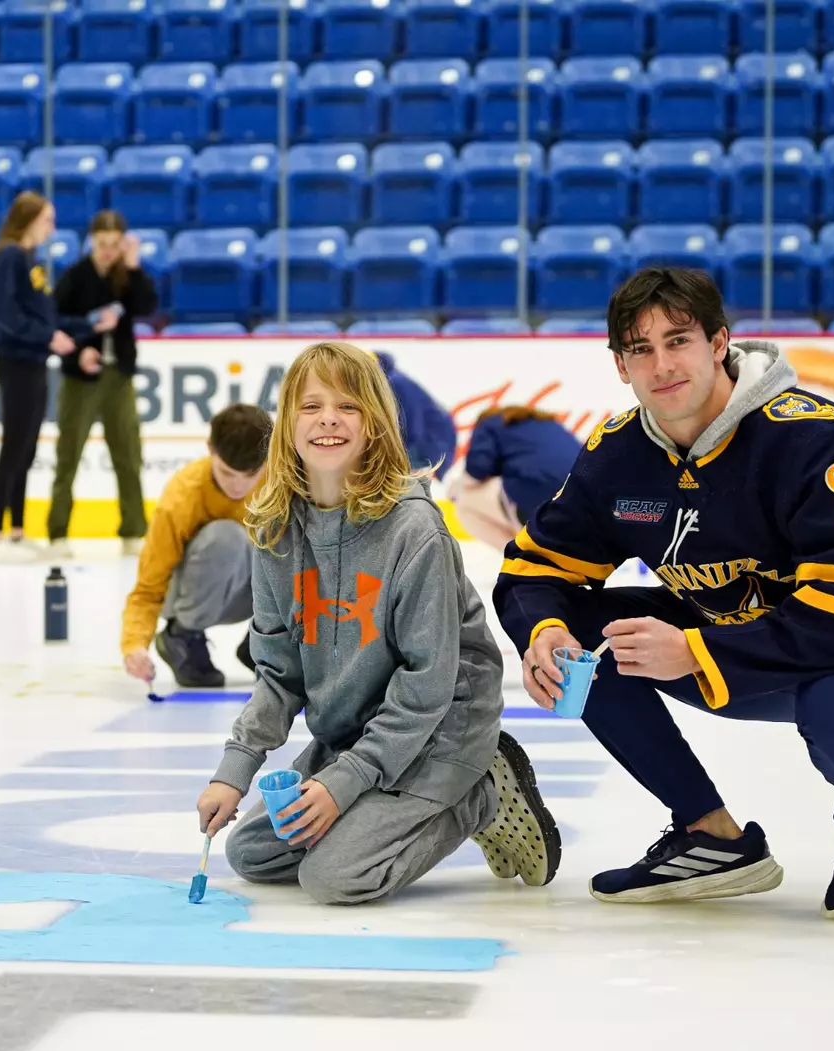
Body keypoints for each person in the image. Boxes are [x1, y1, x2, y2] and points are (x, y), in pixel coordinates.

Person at [492, 267, 834, 921]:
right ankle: (709, 835)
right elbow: (531, 571)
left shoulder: (818, 439)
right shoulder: (619, 457)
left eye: (678, 340)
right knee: (590, 633)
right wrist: (547, 632)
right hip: (732, 638)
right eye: (640, 349)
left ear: (720, 343)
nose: (662, 364)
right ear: (621, 366)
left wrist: (695, 651)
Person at [194, 341, 560, 906]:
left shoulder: (415, 530)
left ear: (375, 423)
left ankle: (477, 792)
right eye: (311, 406)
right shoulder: (274, 531)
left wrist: (341, 785)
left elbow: (426, 688)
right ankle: (387, 792)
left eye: (348, 405)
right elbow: (279, 675)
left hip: (440, 724)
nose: (329, 419)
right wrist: (233, 769)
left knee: (334, 877)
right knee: (254, 855)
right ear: (287, 422)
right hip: (359, 727)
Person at [0, 191, 104, 561]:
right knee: (13, 447)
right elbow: (6, 314)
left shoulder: (30, 261)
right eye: (47, 219)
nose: (52, 227)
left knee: (27, 448)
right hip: (17, 364)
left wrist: (88, 324)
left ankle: (17, 531)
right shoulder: (10, 257)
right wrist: (48, 337)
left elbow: (45, 318)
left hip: (34, 363)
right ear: (29, 220)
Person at [121, 404, 273, 690]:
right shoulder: (182, 497)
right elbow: (147, 588)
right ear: (209, 449)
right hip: (185, 594)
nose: (239, 486)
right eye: (228, 473)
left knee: (300, 536)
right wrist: (134, 645)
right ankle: (183, 636)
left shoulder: (284, 479)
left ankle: (267, 640)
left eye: (251, 474)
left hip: (245, 590)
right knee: (227, 538)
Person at [48, 210, 159, 557]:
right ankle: (58, 532)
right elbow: (56, 321)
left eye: (114, 245)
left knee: (128, 453)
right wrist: (79, 352)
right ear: (92, 241)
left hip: (118, 377)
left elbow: (148, 306)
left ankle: (133, 531)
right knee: (69, 454)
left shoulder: (126, 275)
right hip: (80, 380)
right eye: (102, 244)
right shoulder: (76, 276)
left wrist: (135, 263)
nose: (108, 251)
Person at [449, 405, 582, 548]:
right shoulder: (550, 424)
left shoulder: (490, 423)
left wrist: (454, 488)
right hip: (587, 508)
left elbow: (476, 470)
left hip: (541, 500)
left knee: (464, 502)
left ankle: (523, 557)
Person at [374, 349, 457, 480]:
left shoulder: (396, 382)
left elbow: (412, 420)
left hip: (426, 440)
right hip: (427, 437)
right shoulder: (393, 380)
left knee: (410, 481)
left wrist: (403, 449)